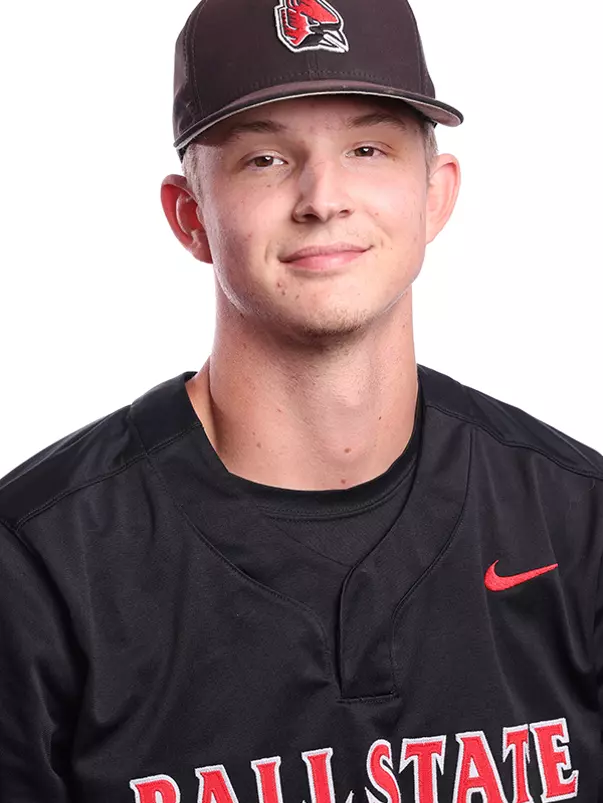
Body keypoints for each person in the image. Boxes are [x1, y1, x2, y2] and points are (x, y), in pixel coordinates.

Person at [1, 0, 601, 800]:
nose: (323, 197)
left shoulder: (576, 520)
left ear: (435, 195)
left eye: (366, 147)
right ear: (189, 217)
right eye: (265, 160)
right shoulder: (38, 564)